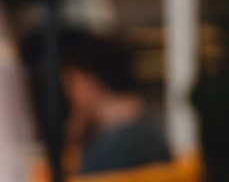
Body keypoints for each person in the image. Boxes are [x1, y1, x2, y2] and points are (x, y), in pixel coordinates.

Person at [57, 28, 171, 174]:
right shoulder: (155, 129)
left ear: (90, 82)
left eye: (71, 82)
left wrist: (78, 148)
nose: (68, 93)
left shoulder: (107, 152)